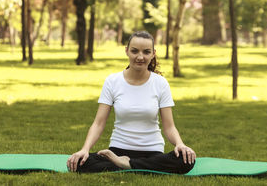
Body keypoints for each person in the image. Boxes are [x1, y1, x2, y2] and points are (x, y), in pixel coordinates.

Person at [67, 31, 196, 174]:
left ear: (153, 54)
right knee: (78, 163)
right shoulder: (113, 81)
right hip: (118, 150)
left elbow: (169, 127)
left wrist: (180, 144)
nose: (140, 57)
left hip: (152, 151)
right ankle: (135, 165)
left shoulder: (160, 83)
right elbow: (98, 123)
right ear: (127, 51)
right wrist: (85, 150)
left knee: (186, 160)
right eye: (135, 51)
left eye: (146, 52)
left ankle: (126, 165)